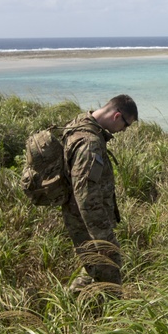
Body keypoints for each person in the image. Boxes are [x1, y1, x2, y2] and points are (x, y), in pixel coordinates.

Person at [63, 94, 137, 292]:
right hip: (88, 222)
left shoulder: (80, 121)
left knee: (92, 268)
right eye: (126, 125)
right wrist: (104, 239)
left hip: (79, 217)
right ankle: (112, 318)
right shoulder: (90, 144)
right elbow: (85, 196)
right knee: (110, 270)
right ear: (116, 116)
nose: (123, 131)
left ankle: (73, 301)